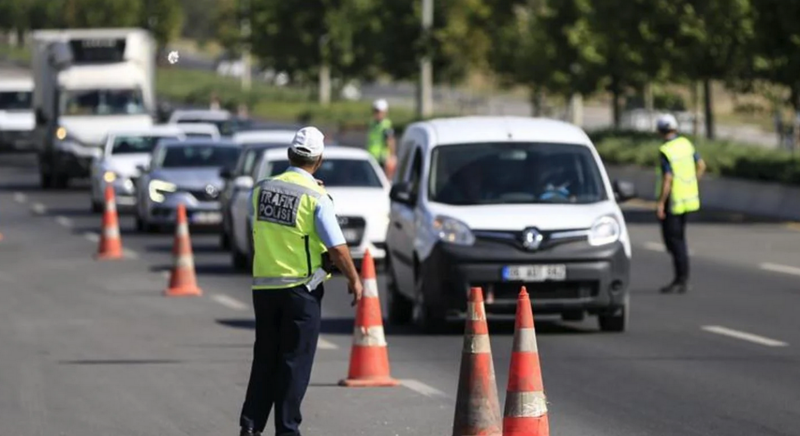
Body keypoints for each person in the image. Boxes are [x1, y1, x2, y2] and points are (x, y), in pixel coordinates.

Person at [239, 126, 364, 436]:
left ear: (288, 155)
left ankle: (250, 427)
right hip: (300, 291)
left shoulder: (261, 189)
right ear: (319, 160)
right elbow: (336, 247)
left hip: (264, 288)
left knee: (265, 360)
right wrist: (355, 279)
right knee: (294, 365)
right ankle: (287, 430)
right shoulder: (317, 197)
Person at [655, 114, 706, 294]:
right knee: (680, 240)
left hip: (674, 201)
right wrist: (692, 182)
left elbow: (667, 178)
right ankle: (681, 278)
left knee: (674, 242)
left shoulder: (666, 150)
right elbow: (701, 165)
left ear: (660, 130)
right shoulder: (685, 144)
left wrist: (661, 203)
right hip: (688, 199)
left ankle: (681, 279)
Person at [366, 99, 396, 178]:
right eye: (376, 111)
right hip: (371, 156)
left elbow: (390, 141)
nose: (377, 114)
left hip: (382, 159)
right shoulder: (372, 123)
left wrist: (392, 156)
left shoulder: (386, 125)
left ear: (385, 112)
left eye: (379, 112)